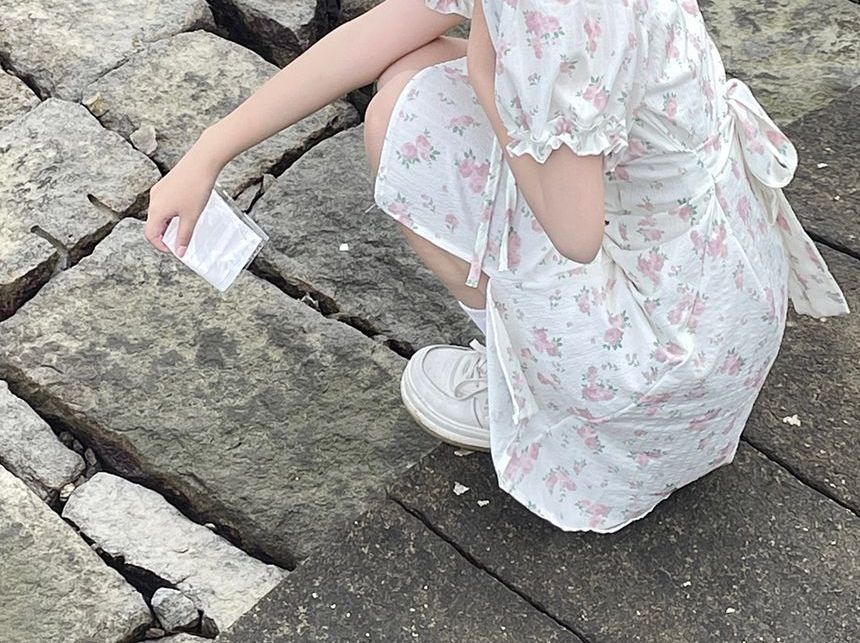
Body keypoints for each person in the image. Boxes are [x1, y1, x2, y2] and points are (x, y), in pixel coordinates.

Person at [145, 0, 849, 533]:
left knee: (402, 115)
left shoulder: (555, 18)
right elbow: (389, 27)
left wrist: (487, 77)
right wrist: (210, 151)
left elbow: (575, 235)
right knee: (416, 64)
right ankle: (546, 362)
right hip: (722, 283)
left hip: (661, 373)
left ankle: (532, 390)